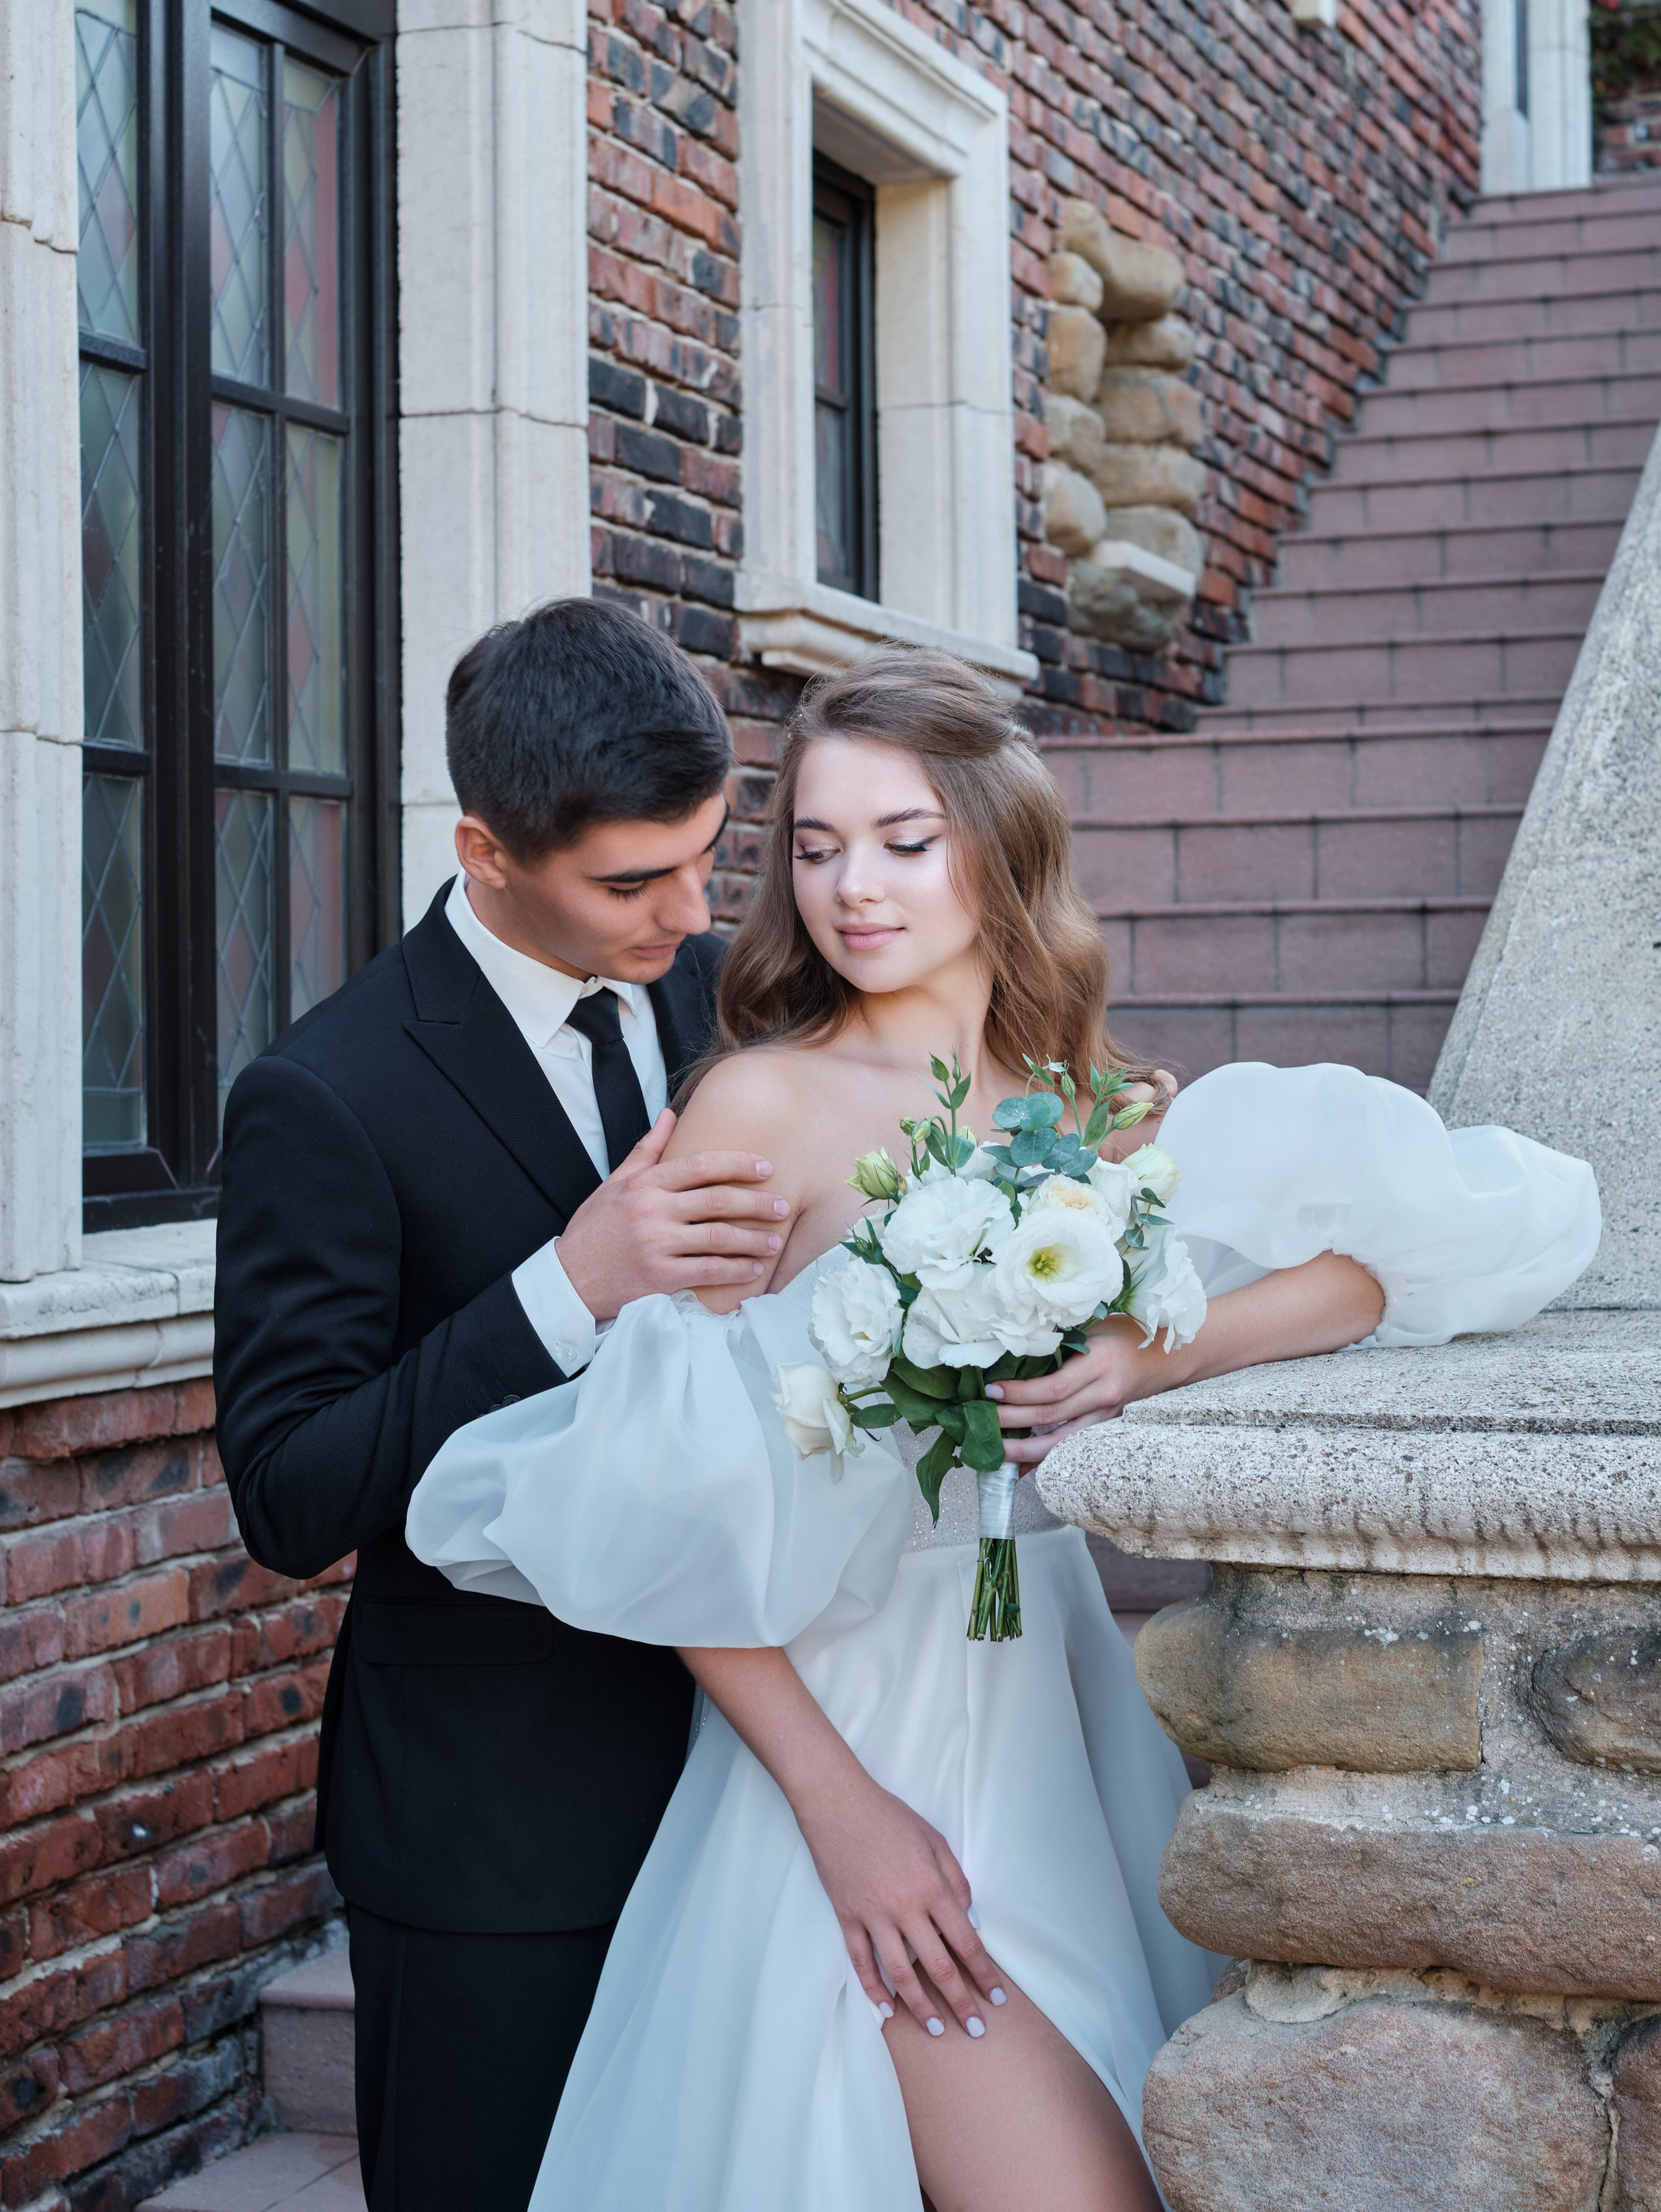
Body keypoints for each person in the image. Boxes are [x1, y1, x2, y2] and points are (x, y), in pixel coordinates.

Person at [407, 647, 1601, 2212]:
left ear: (995, 845)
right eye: (815, 847)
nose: (852, 888)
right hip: (844, 1744)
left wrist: (1146, 1351)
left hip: (1052, 1723)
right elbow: (662, 1502)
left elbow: (1396, 1270)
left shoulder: (1091, 1110)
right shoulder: (757, 1107)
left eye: (902, 840)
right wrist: (843, 1818)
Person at [213, 600, 802, 2212]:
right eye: (631, 882)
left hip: (753, 1783)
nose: (690, 913)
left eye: (708, 858)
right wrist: (570, 1283)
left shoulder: (721, 1005)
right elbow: (290, 1492)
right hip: (496, 1823)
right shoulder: (325, 1095)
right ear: (484, 852)